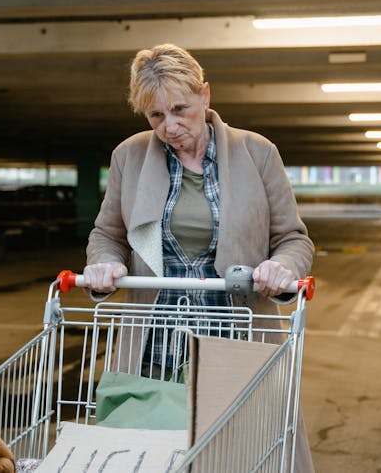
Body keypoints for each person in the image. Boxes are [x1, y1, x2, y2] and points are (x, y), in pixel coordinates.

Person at [82, 43, 315, 471]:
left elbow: (294, 239)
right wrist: (104, 262)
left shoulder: (256, 152)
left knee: (238, 458)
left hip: (238, 342)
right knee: (151, 459)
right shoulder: (128, 156)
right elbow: (106, 235)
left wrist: (282, 268)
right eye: (155, 116)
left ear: (205, 96)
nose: (169, 126)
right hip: (154, 349)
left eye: (179, 109)